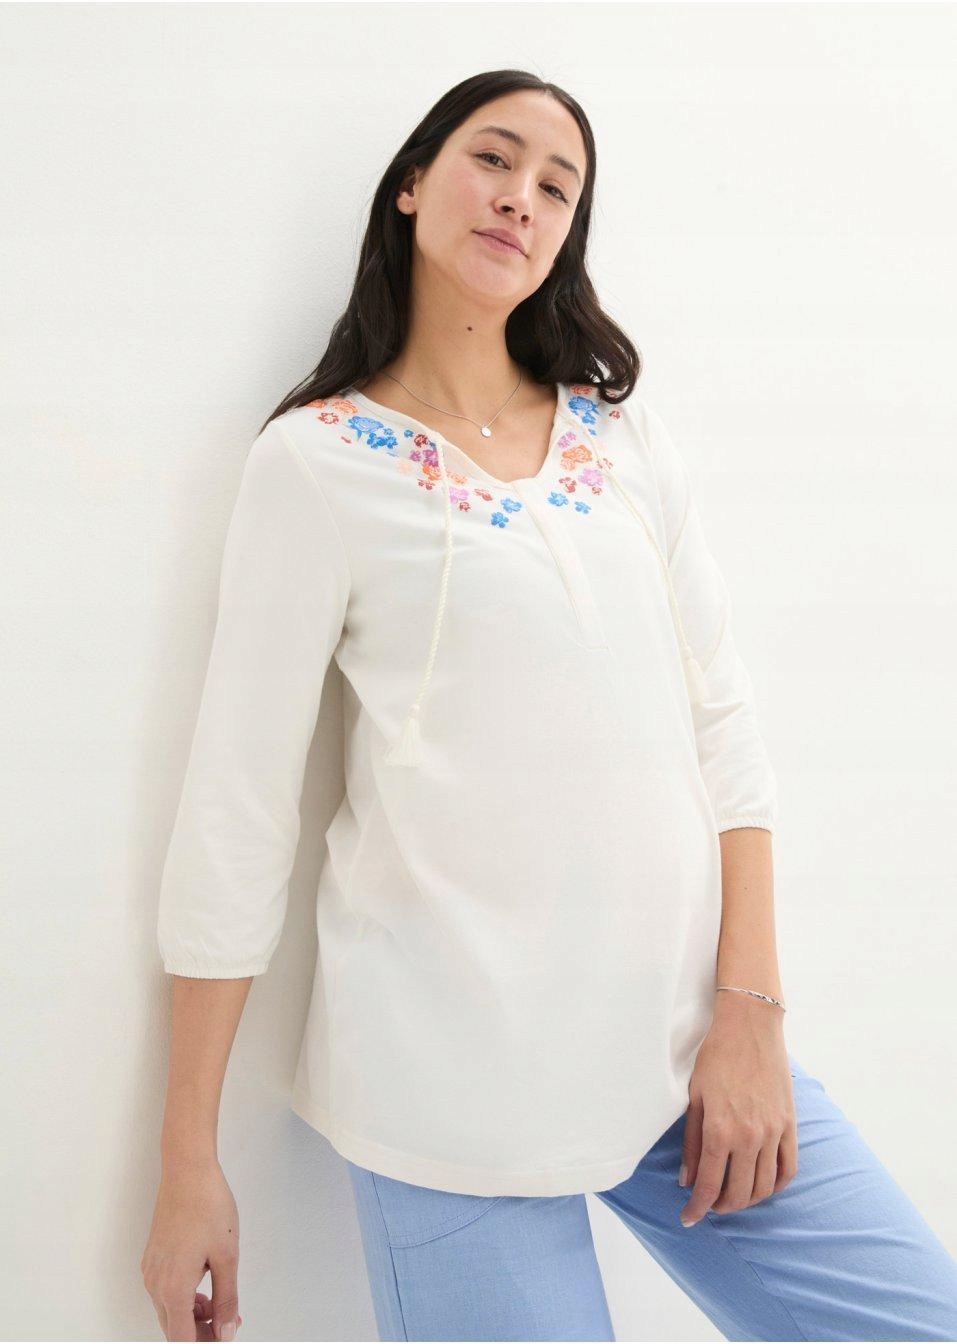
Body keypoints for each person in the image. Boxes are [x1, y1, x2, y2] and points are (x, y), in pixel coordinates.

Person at [141, 70, 957, 1342]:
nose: (522, 196)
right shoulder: (315, 463)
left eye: (557, 186)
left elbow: (725, 733)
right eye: (494, 158)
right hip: (445, 1102)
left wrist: (750, 1019)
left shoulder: (624, 446)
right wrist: (187, 1157)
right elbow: (236, 815)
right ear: (413, 184)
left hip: (682, 1063)